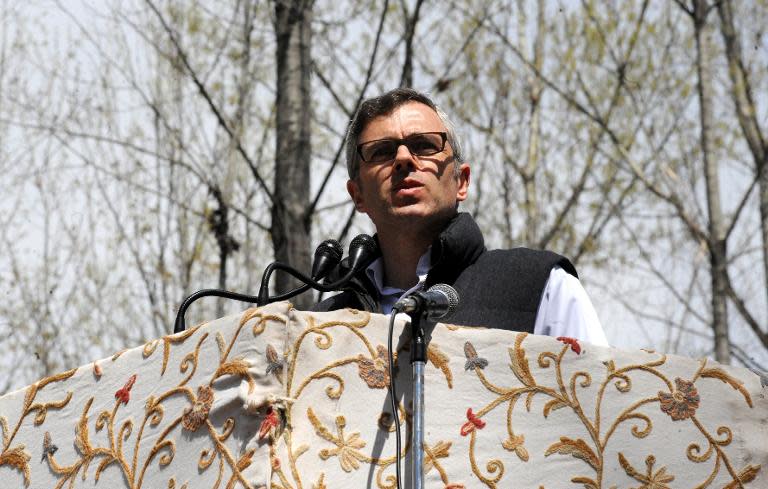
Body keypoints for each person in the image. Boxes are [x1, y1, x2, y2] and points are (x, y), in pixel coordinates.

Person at [314, 88, 607, 346]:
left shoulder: (541, 288)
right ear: (358, 195)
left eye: (424, 145)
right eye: (382, 151)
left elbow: (596, 402)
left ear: (462, 181)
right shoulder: (318, 330)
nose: (403, 158)